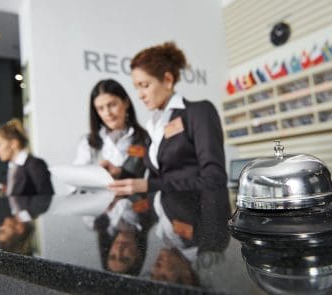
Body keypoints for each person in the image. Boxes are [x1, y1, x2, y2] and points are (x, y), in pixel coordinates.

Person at [108, 42, 231, 254]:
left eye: (145, 85)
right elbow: (156, 173)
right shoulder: (153, 127)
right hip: (167, 215)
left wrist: (148, 185)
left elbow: (214, 178)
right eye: (136, 87)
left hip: (200, 219)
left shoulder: (198, 112)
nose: (140, 94)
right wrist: (116, 172)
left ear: (167, 80)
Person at [73, 79, 148, 180]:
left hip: (134, 195)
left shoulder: (144, 139)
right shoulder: (88, 142)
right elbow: (76, 178)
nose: (107, 113)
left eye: (112, 105)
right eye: (101, 108)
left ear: (126, 102)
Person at [0, 119, 54, 220]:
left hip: (27, 219)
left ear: (14, 144)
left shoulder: (35, 165)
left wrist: (23, 218)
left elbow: (45, 199)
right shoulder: (14, 166)